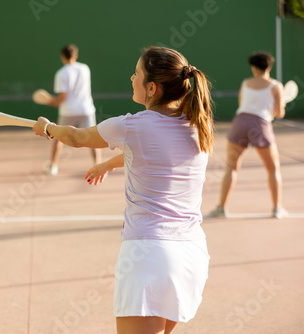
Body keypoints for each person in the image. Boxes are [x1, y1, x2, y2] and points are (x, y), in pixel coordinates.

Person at [34, 46, 214, 334]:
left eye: (137, 74)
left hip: (149, 255)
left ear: (152, 88)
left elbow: (77, 137)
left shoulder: (132, 126)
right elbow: (156, 156)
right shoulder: (198, 125)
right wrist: (109, 164)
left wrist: (47, 127)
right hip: (192, 255)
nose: (131, 78)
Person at [208, 52, 287, 219]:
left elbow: (242, 105)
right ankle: (277, 209)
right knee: (273, 168)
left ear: (253, 68)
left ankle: (221, 208)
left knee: (231, 168)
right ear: (269, 67)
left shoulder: (246, 83)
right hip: (260, 125)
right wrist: (277, 109)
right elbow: (279, 113)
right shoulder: (276, 86)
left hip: (240, 122)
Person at [45, 44, 101, 175]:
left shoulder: (61, 73)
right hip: (86, 110)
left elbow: (62, 98)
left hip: (68, 111)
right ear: (75, 55)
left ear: (62, 57)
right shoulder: (85, 69)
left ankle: (53, 166)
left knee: (57, 137)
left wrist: (51, 102)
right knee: (94, 138)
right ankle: (98, 166)